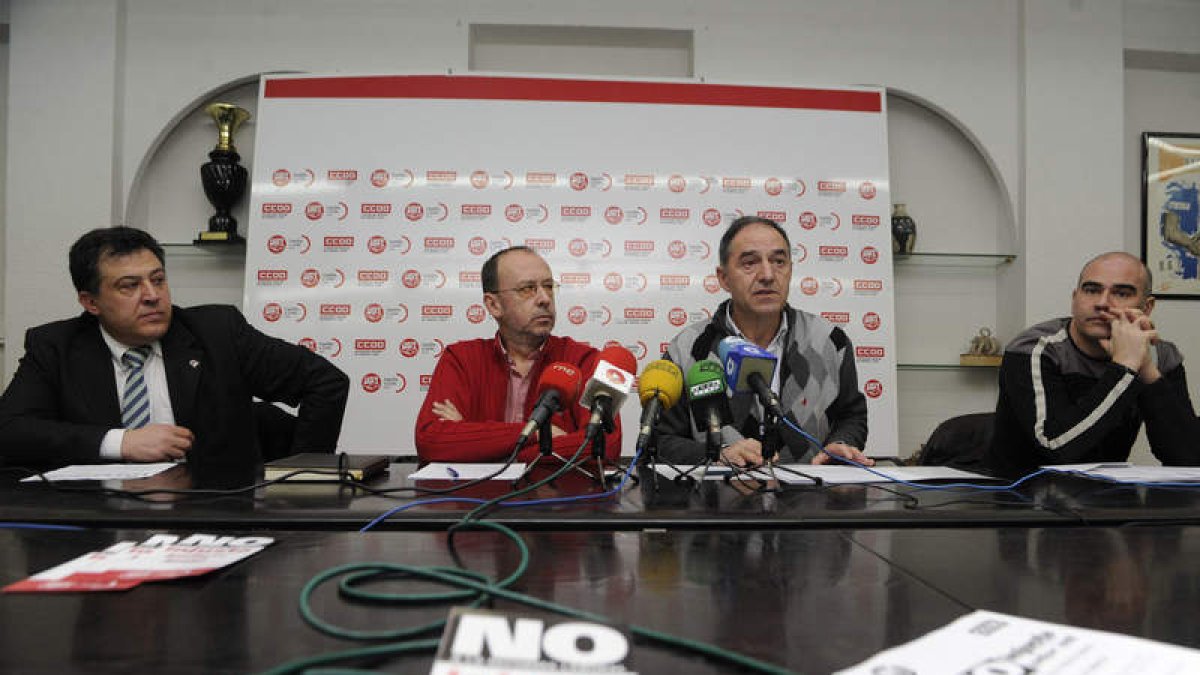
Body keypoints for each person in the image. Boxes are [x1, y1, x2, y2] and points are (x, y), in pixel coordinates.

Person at [0, 226, 350, 469]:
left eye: (158, 279)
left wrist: (302, 477)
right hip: (98, 520)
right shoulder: (55, 347)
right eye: (129, 286)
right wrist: (122, 443)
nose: (152, 295)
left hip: (215, 516)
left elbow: (325, 383)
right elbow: (11, 430)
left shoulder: (218, 333)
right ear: (90, 302)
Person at [657, 216, 870, 466]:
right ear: (723, 278)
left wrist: (842, 442)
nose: (768, 275)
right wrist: (716, 454)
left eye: (779, 262)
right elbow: (662, 440)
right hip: (717, 500)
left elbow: (851, 416)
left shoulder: (830, 341)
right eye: (750, 263)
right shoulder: (688, 349)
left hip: (809, 500)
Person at [984, 251, 1198, 477]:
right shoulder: (1035, 348)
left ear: (1147, 307)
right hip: (1021, 497)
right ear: (1075, 298)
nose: (1102, 303)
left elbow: (1189, 459)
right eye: (1092, 290)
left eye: (1122, 293)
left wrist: (1146, 369)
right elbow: (1056, 447)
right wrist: (1125, 367)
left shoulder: (1161, 356)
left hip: (1106, 498)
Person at [414, 246, 621, 463]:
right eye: (527, 289)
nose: (545, 299)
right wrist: (539, 433)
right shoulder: (460, 358)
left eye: (549, 286)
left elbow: (605, 445)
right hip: (476, 497)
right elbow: (430, 440)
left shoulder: (587, 360)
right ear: (494, 305)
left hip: (554, 495)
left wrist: (480, 445)